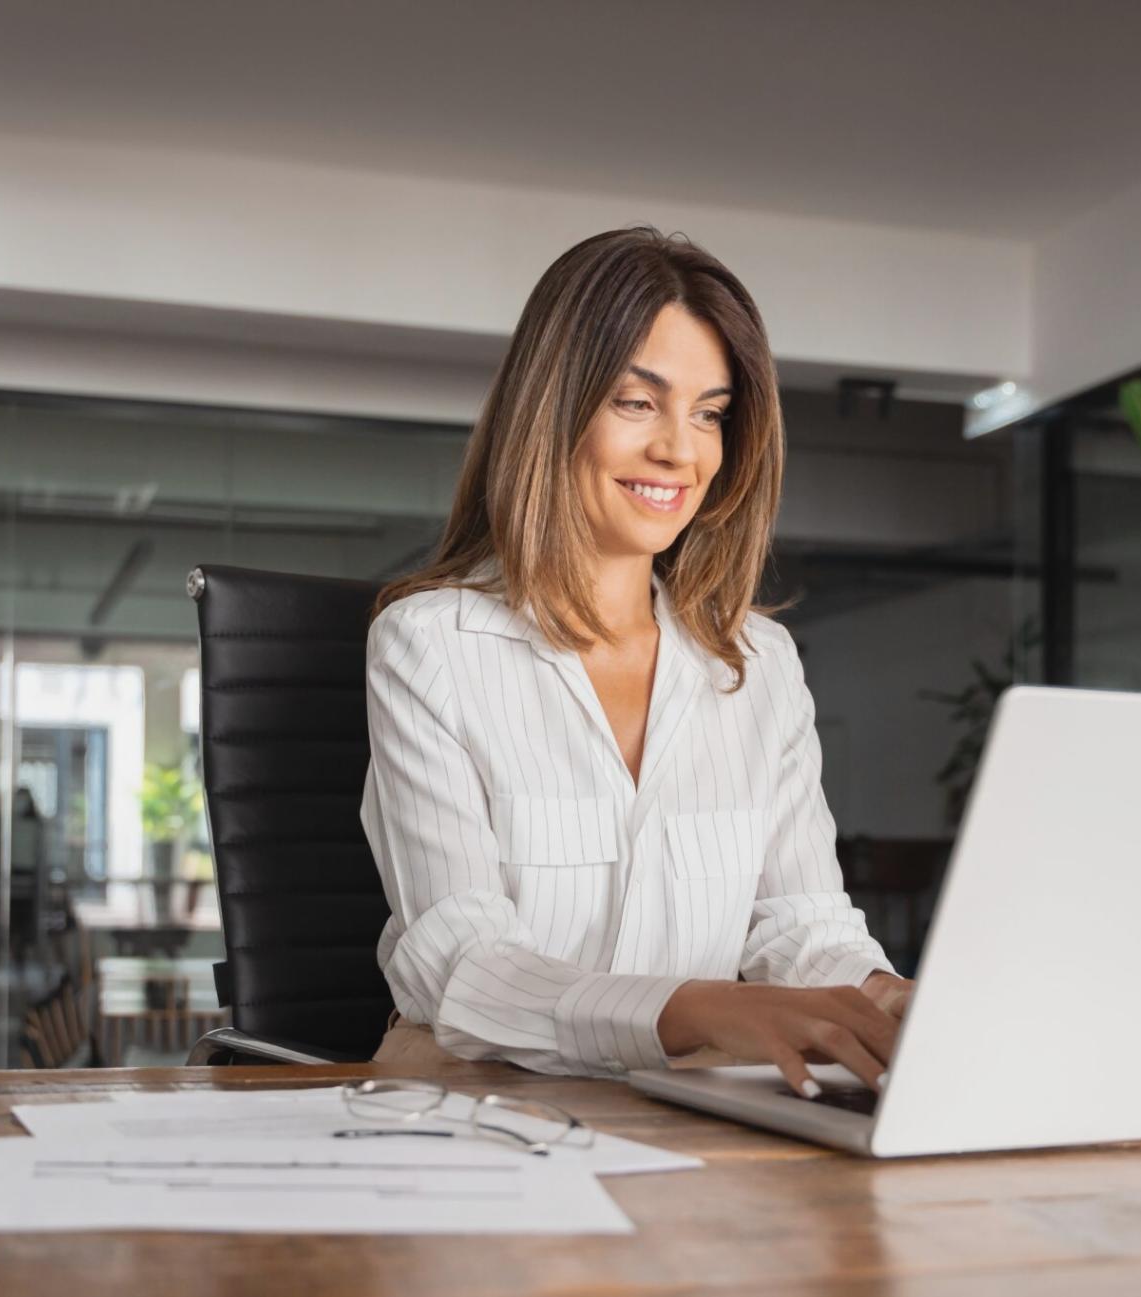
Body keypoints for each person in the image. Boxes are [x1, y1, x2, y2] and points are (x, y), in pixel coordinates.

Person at [361, 226, 913, 1097]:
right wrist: (696, 1008)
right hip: (484, 1106)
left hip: (691, 1106)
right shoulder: (429, 645)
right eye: (636, 402)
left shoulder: (759, 664)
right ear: (553, 409)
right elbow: (463, 964)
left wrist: (885, 997)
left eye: (710, 413)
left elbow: (800, 924)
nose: (680, 451)